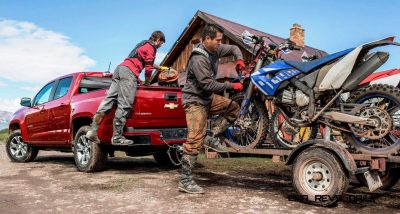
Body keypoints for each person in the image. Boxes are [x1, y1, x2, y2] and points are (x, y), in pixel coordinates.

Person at [178, 24, 246, 194]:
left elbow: (234, 47)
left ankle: (211, 135)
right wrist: (232, 85)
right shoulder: (198, 58)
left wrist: (239, 59)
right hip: (194, 101)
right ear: (207, 39)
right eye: (217, 40)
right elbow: (207, 84)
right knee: (194, 140)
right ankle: (185, 180)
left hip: (207, 98)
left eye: (220, 40)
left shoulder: (216, 49)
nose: (219, 43)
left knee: (233, 108)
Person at [86, 31, 167, 145]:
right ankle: (117, 137)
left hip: (120, 69)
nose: (160, 46)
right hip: (129, 73)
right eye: (161, 44)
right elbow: (148, 68)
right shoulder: (152, 47)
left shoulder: (143, 44)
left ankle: (92, 131)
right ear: (158, 40)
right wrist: (147, 82)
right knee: (125, 104)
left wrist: (160, 67)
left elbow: (144, 61)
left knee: (109, 101)